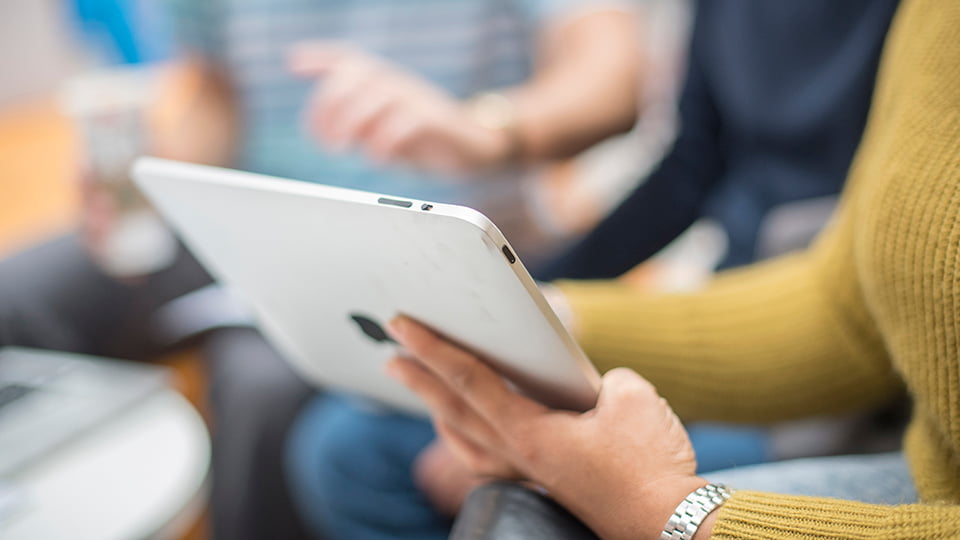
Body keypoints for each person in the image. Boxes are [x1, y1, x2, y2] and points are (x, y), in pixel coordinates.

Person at [0, 1, 641, 539]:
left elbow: (612, 78)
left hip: (431, 237)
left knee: (262, 390)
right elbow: (220, 89)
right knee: (17, 296)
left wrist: (482, 127)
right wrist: (157, 174)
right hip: (246, 208)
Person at [284, 2, 903, 538]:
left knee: (365, 455)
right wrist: (527, 292)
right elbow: (689, 171)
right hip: (740, 302)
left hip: (827, 379)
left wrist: (656, 506)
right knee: (349, 437)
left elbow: (846, 307)